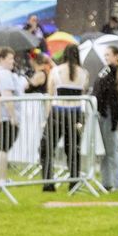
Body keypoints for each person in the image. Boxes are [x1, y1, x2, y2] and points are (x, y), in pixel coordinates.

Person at [41, 43, 89, 192]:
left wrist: (46, 116)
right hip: (76, 114)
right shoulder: (84, 73)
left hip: (58, 112)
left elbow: (50, 95)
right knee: (73, 148)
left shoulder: (56, 71)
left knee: (47, 146)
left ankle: (48, 181)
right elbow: (84, 91)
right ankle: (74, 180)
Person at [92, 45, 118, 191]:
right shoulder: (106, 71)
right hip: (103, 112)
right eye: (105, 55)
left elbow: (115, 97)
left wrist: (115, 119)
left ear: (116, 56)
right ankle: (107, 181)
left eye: (108, 55)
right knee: (105, 151)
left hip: (109, 113)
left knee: (113, 149)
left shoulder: (116, 72)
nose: (106, 58)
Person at [0, 46, 24, 190]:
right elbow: (7, 96)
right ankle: (2, 179)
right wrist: (13, 117)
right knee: (3, 149)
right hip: (5, 117)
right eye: (10, 58)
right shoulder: (4, 74)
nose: (13, 61)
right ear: (2, 59)